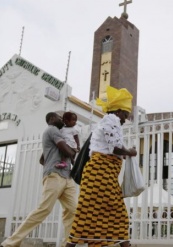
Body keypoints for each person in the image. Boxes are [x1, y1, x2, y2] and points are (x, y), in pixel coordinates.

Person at [66, 86, 137, 247]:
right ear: (118, 111)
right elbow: (115, 148)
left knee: (91, 214)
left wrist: (125, 153)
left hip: (104, 176)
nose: (125, 119)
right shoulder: (111, 120)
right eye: (125, 115)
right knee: (109, 213)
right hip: (100, 175)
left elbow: (113, 149)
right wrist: (130, 152)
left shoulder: (112, 123)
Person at [1, 112, 77, 247]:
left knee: (73, 211)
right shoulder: (52, 129)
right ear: (52, 119)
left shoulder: (57, 133)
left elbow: (42, 159)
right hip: (55, 175)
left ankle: (67, 244)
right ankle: (9, 243)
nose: (62, 119)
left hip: (66, 176)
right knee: (44, 209)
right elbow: (64, 148)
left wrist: (52, 160)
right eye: (59, 117)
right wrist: (72, 153)